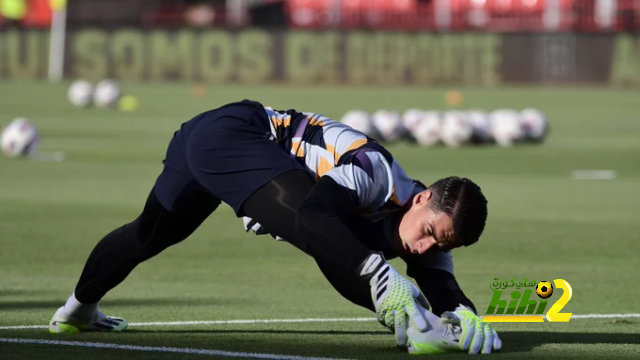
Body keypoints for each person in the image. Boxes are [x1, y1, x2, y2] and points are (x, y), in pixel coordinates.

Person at [49, 100, 500, 354]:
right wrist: (383, 279)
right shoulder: (376, 174)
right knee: (329, 232)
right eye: (431, 233)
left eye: (441, 243)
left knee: (147, 234)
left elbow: (441, 283)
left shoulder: (431, 230)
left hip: (205, 142)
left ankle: (76, 311)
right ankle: (408, 320)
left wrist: (463, 313)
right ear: (421, 199)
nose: (424, 247)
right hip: (234, 133)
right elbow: (313, 221)